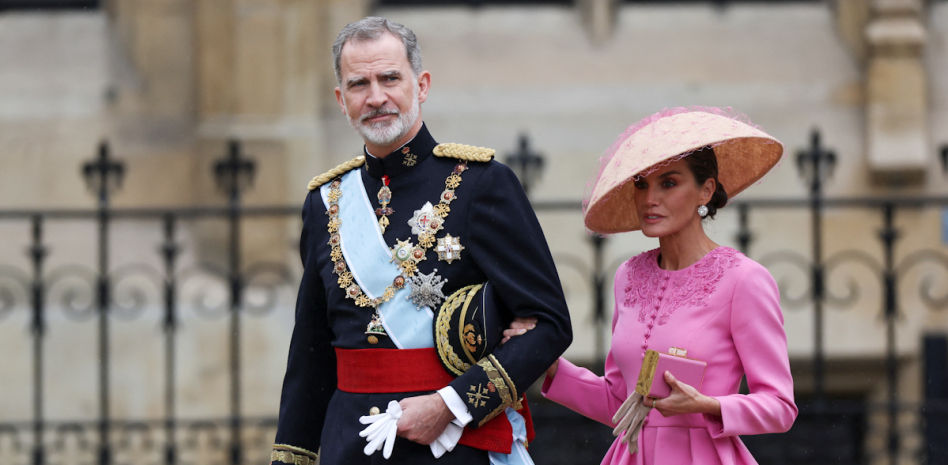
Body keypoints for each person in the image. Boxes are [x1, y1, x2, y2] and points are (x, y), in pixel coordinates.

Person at [269, 16, 572, 465]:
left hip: (453, 445)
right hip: (349, 448)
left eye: (390, 78)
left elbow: (550, 324)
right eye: (358, 84)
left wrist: (452, 404)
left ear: (421, 84)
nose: (376, 98)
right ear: (341, 99)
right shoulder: (326, 202)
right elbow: (310, 353)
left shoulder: (480, 185)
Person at [509, 107, 797, 464]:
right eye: (641, 184)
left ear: (706, 190)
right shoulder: (628, 276)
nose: (649, 199)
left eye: (669, 183)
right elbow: (619, 401)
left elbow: (780, 406)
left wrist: (705, 405)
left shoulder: (744, 279)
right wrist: (551, 366)